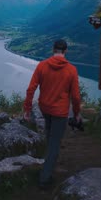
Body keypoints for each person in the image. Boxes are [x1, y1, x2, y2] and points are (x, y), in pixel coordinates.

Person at [23, 39, 82, 189]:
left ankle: (46, 162)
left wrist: (27, 109)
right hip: (60, 112)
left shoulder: (42, 66)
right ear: (65, 51)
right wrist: (77, 113)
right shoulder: (71, 70)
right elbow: (75, 96)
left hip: (45, 108)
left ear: (53, 50)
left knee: (50, 137)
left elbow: (31, 89)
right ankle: (45, 178)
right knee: (55, 144)